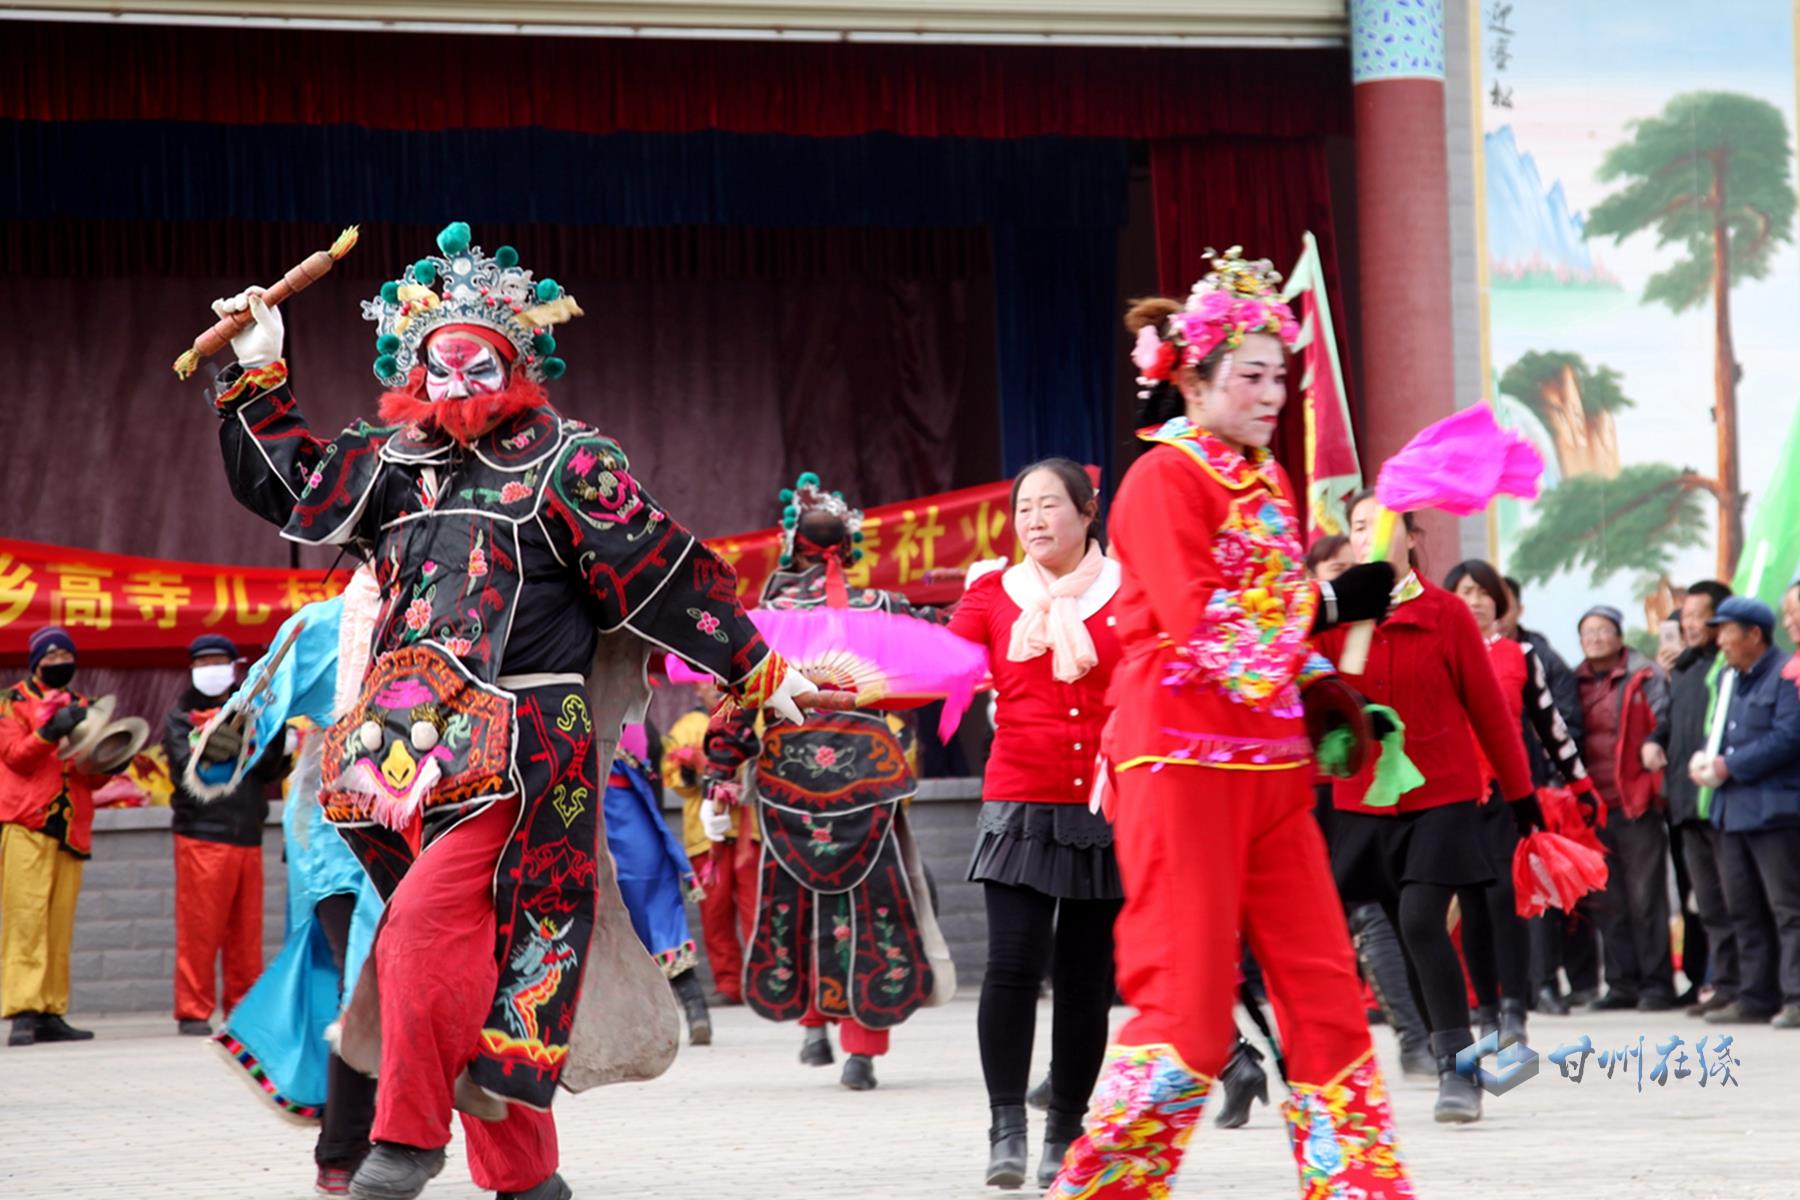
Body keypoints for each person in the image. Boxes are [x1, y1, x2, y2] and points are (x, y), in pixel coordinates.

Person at [193, 222, 815, 1200]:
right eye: (436, 358)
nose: (454, 372)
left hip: (529, 756)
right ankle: (528, 1183)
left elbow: (663, 575)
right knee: (485, 967)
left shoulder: (571, 461)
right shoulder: (392, 460)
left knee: (422, 932)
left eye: (476, 355)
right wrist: (259, 375)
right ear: (411, 364)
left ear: (518, 361)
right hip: (410, 757)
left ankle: (401, 1144)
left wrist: (759, 669)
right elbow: (301, 489)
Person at [1051, 253, 1411, 1199]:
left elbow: (1274, 618)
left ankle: (1359, 1187)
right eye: (1249, 374)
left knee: (1328, 990)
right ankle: (1104, 1190)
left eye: (1279, 374)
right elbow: (1201, 619)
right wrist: (1331, 600)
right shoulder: (1160, 481)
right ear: (1194, 379)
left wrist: (1328, 684)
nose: (1270, 391)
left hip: (1270, 767)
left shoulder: (1269, 481)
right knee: (1191, 1007)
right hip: (1180, 759)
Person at [701, 472, 955, 1094]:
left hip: (789, 775)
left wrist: (720, 769)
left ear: (793, 548)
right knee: (871, 907)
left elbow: (738, 699)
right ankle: (861, 1050)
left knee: (797, 902)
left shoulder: (766, 620)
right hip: (868, 776)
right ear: (851, 545)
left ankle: (813, 1025)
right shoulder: (884, 610)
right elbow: (939, 643)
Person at [1318, 495, 1537, 1126]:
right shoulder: (1334, 616)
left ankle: (1458, 1071)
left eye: (1378, 525)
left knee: (1419, 920)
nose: (1365, 537)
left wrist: (1524, 802)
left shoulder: (1446, 614)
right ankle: (1438, 1049)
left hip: (1440, 794)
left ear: (1411, 536)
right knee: (1397, 928)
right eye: (1356, 527)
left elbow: (1490, 714)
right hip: (1363, 801)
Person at [946, 457, 1125, 1189]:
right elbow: (941, 666)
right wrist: (853, 680)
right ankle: (1007, 1128)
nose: (1036, 520)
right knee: (1013, 965)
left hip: (1105, 806)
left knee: (1086, 980)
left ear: (1087, 513)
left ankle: (1066, 1130)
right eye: (1024, 509)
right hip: (1019, 801)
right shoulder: (993, 593)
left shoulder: (1128, 590)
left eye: (1051, 505)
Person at [191, 571, 384, 1197]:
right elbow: (252, 704)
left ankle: (364, 1132)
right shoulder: (322, 623)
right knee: (358, 973)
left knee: (371, 974)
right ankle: (346, 1147)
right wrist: (225, 744)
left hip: (419, 821)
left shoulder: (451, 611)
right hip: (333, 828)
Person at [1442, 559, 1592, 1051]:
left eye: (1487, 592)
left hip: (1508, 799)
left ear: (1501, 603)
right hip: (1452, 799)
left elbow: (1551, 726)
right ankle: (1485, 1008)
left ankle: (1513, 1007)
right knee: (1472, 906)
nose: (1478, 600)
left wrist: (1581, 786)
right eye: (1467, 590)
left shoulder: (1520, 656)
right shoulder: (1438, 652)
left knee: (1506, 899)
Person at [164, 634, 287, 1036]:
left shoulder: (251, 710)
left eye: (220, 660)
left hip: (247, 831)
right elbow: (186, 770)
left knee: (246, 933)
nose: (211, 668)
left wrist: (277, 732)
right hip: (202, 834)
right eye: (204, 661)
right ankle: (193, 1010)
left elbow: (267, 768)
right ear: (192, 668)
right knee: (200, 928)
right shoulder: (181, 717)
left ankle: (242, 1008)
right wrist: (219, 742)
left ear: (235, 666)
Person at [1692, 595, 1800, 1028]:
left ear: (1754, 635)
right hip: (1730, 811)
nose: (1721, 642)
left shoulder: (1785, 674)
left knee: (1787, 908)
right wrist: (1708, 762)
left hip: (1773, 811)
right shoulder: (1730, 679)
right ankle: (1754, 995)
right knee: (1743, 907)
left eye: (1728, 633)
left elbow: (1788, 737)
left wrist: (1728, 766)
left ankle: (1795, 995)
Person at [0, 628, 108, 1046]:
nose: (59, 659)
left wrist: (109, 761)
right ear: (36, 661)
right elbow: (16, 758)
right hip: (26, 823)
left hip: (70, 826)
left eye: (66, 652)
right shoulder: (10, 702)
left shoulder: (86, 706)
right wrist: (48, 732)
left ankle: (50, 1010)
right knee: (25, 920)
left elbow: (90, 778)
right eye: (52, 653)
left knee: (59, 924)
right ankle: (23, 1011)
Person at [1502, 576, 1597, 1012]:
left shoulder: (1537, 656)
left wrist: (1568, 782)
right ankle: (1510, 991)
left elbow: (1562, 724)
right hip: (1479, 796)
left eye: (1495, 601)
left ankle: (1547, 984)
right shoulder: (1461, 652)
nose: (1483, 607)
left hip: (1536, 788)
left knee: (1542, 889)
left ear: (1516, 608)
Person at [1574, 605, 1675, 1012]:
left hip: (1635, 803)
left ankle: (1657, 985)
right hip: (1593, 809)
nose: (1595, 638)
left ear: (1619, 636)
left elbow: (1663, 722)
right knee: (1607, 899)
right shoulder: (1573, 680)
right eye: (1587, 631)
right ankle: (1621, 984)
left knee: (1645, 897)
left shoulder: (1644, 674)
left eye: (1602, 630)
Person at [1643, 580, 1736, 1016]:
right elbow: (1675, 724)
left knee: (1734, 899)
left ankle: (1745, 984)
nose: (1691, 623)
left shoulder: (1730, 667)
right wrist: (1654, 740)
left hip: (1719, 801)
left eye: (1701, 614)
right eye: (1687, 615)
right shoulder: (1683, 669)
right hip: (1682, 803)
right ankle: (1710, 981)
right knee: (1703, 902)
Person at [603, 723, 712, 1044]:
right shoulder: (636, 726)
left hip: (613, 820)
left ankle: (690, 1010)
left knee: (650, 919)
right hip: (621, 825)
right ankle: (694, 1011)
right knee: (655, 920)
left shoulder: (630, 726)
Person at [664, 683, 757, 1006]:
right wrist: (694, 770)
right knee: (714, 913)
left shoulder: (754, 720)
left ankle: (762, 982)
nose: (716, 688)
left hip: (750, 830)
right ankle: (729, 983)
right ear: (698, 690)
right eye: (708, 682)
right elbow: (673, 777)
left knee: (755, 908)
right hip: (705, 835)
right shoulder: (686, 726)